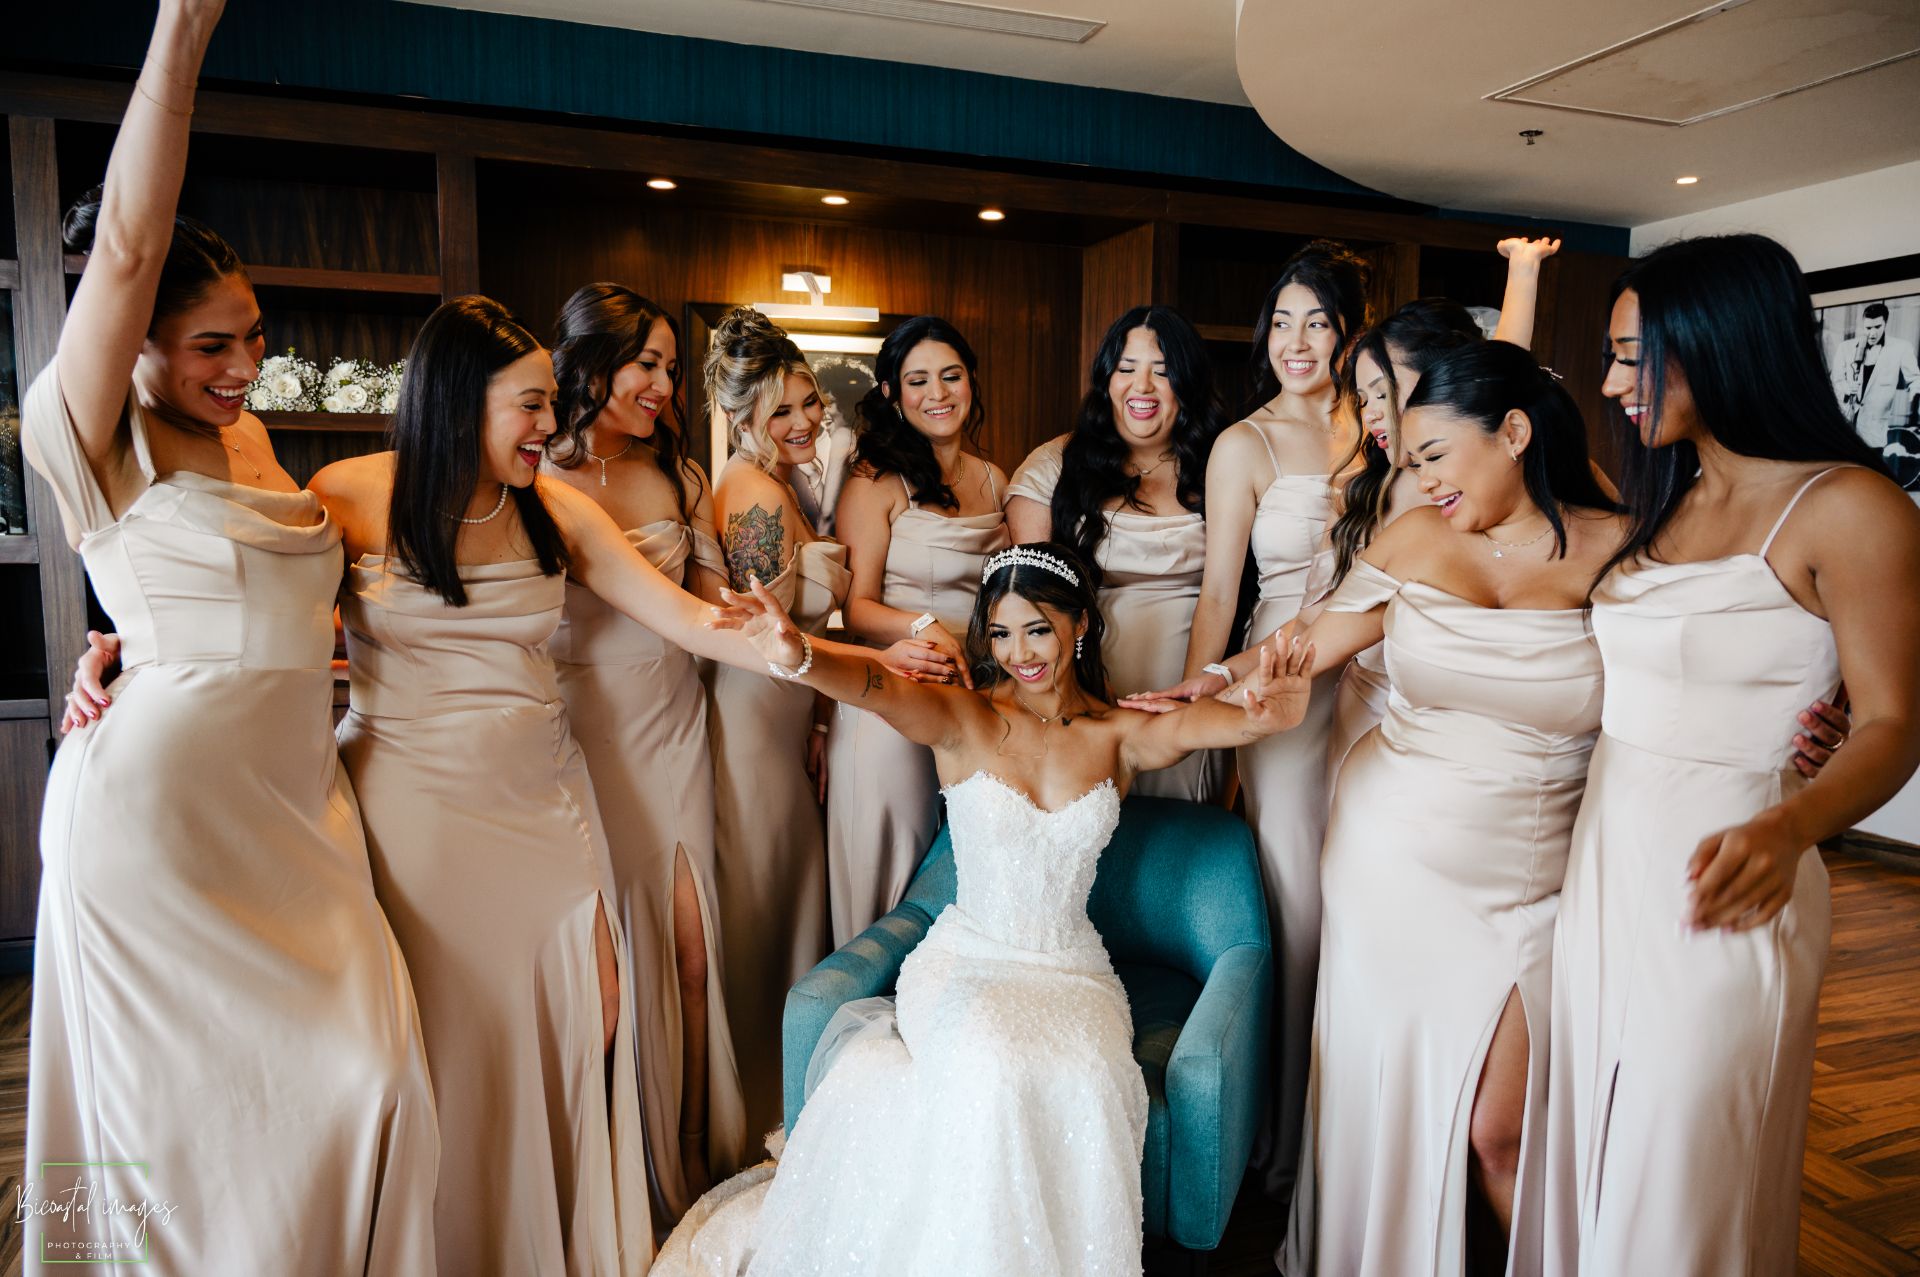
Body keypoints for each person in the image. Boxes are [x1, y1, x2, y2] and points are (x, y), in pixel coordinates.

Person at [19, 2, 438, 1270]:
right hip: (160, 821)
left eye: (254, 335)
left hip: (295, 808)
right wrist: (184, 26)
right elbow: (132, 238)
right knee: (183, 1129)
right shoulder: (90, 433)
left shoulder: (247, 434)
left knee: (370, 1069)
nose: (245, 362)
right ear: (131, 339)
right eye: (212, 343)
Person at [652, 542, 1315, 1277]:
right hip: (968, 960)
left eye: (1037, 630)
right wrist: (799, 654)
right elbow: (878, 686)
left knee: (1087, 1080)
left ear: (1079, 625)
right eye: (1000, 633)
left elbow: (1199, 728)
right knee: (992, 1063)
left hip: (1073, 971)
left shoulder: (1117, 735)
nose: (1018, 653)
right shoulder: (963, 717)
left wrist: (1264, 718)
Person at [310, 294, 786, 1274]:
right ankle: (467, 1239)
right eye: (528, 404)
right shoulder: (348, 495)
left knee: (596, 1004)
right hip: (413, 801)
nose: (547, 422)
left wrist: (816, 656)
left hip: (542, 792)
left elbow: (685, 617)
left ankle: (566, 1235)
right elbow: (264, 632)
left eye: (548, 403)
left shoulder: (551, 507)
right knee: (454, 1032)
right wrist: (123, 663)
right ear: (459, 398)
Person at [1547, 235, 1920, 1276]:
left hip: (1734, 864)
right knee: (1609, 1146)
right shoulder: (1666, 496)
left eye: (1634, 357)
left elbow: (1894, 722)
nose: (1612, 383)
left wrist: (1790, 824)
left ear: (1717, 342)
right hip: (1607, 862)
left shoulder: (1849, 507)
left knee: (1689, 1165)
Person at [544, 283, 746, 1217]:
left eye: (670, 366)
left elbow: (712, 602)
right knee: (605, 969)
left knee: (691, 948)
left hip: (670, 723)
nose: (665, 384)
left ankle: (692, 1153)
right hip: (573, 733)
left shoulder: (680, 475)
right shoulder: (530, 466)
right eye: (647, 364)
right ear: (591, 364)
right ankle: (615, 1164)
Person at [702, 307, 853, 1145]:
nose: (802, 421)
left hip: (787, 722)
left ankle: (783, 1108)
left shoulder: (778, 482)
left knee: (787, 904)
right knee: (761, 915)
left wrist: (823, 717)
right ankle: (758, 1115)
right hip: (754, 725)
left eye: (808, 401)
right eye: (779, 411)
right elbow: (771, 640)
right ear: (741, 418)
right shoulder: (753, 494)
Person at [825, 316, 1009, 945]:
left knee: (962, 870)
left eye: (951, 376)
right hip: (894, 690)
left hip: (973, 699)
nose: (938, 393)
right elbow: (857, 609)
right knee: (894, 867)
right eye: (918, 380)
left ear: (971, 381)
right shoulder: (874, 480)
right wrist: (922, 624)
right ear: (891, 393)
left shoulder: (996, 480)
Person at [1006, 306, 1231, 801]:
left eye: (1162, 371)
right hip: (1085, 681)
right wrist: (1083, 693)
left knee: (1183, 824)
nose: (1141, 386)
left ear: (1188, 382)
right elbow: (1031, 604)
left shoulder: (1222, 464)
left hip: (1195, 670)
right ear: (1106, 378)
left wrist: (1190, 699)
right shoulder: (1054, 466)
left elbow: (1225, 592)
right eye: (1126, 368)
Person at [1831, 300, 1919, 448]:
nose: (1872, 333)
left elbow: (1915, 379)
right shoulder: (1845, 348)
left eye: (1877, 327)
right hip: (1845, 428)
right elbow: (1835, 380)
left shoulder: (1901, 348)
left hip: (1875, 432)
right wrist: (1847, 388)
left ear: (1885, 324)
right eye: (1868, 328)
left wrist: (1915, 395)